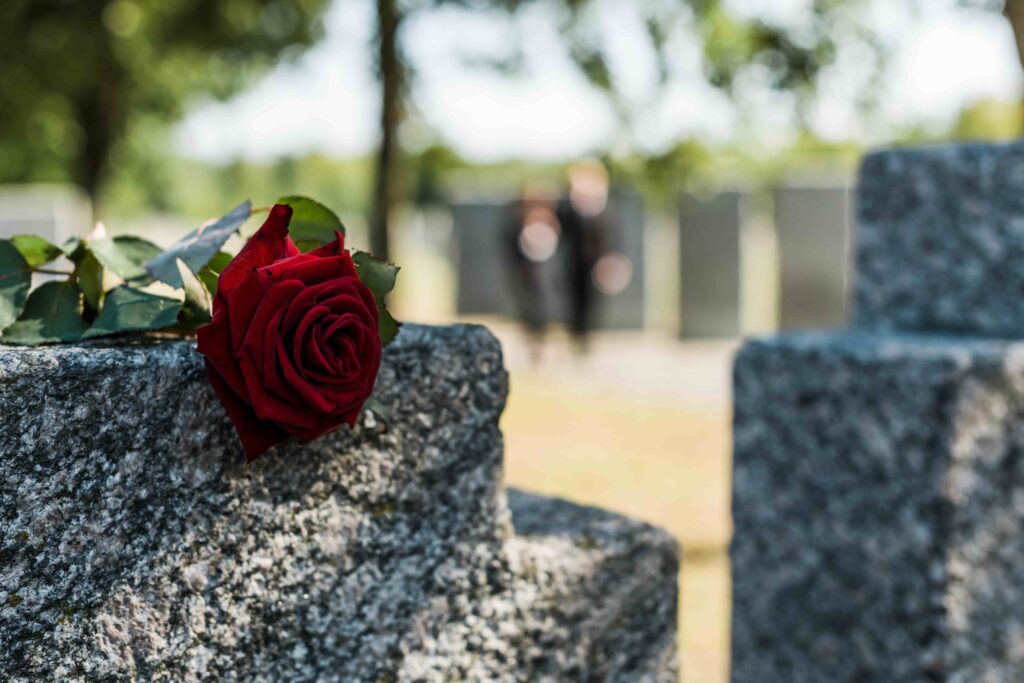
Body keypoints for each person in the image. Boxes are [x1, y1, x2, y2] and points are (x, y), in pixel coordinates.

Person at [556, 160, 609, 354]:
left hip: (594, 264)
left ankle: (585, 337)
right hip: (572, 264)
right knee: (572, 301)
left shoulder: (602, 208)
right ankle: (575, 335)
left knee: (591, 302)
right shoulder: (569, 208)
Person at [503, 186, 560, 364]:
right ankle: (531, 340)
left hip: (542, 275)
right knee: (526, 307)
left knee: (539, 308)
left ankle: (538, 341)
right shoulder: (517, 221)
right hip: (524, 274)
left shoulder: (549, 221)